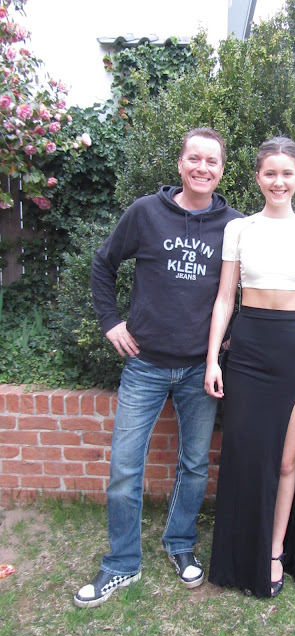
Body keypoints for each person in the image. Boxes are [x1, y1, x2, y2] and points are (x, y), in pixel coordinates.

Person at [73, 127, 244, 609]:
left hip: (200, 370)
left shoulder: (235, 226)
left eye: (212, 161)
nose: (202, 168)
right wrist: (110, 322)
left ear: (222, 170)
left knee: (194, 464)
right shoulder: (146, 212)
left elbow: (250, 287)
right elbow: (103, 264)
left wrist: (232, 335)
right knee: (125, 468)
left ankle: (180, 542)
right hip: (144, 364)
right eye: (195, 159)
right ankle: (122, 563)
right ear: (180, 163)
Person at [204, 137, 295, 598]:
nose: (279, 181)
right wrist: (213, 358)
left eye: (287, 173)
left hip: (293, 350)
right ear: (257, 177)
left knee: (286, 459)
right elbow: (224, 298)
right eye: (270, 173)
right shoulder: (239, 229)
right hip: (248, 347)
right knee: (243, 454)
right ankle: (240, 553)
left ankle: (275, 550)